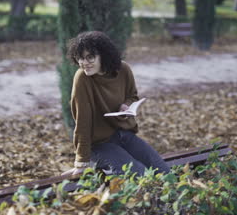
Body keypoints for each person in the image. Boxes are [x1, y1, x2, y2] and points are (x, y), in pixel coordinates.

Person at [62, 31, 170, 177]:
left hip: (122, 135)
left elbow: (132, 96)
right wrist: (81, 162)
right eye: (80, 58)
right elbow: (82, 122)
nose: (84, 63)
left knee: (163, 171)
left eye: (90, 57)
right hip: (99, 145)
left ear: (104, 55)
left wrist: (126, 105)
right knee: (139, 174)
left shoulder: (123, 69)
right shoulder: (82, 78)